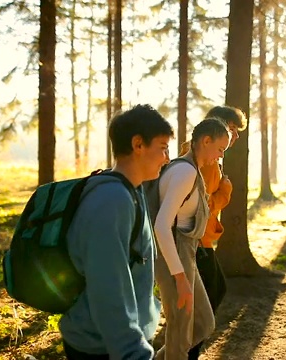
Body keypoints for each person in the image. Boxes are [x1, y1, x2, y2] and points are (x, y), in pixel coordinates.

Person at [59, 104, 174, 360]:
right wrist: (133, 352)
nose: (167, 158)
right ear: (138, 144)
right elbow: (107, 287)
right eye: (163, 147)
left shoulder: (132, 191)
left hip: (114, 343)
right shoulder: (111, 201)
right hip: (102, 347)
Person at [152, 118, 230, 359]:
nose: (219, 156)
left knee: (204, 324)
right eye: (219, 149)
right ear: (205, 140)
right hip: (173, 255)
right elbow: (162, 226)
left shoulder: (192, 170)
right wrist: (179, 276)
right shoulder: (184, 171)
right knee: (180, 331)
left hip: (187, 254)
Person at [180, 106, 247, 360]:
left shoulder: (203, 155)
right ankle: (187, 351)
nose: (236, 137)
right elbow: (203, 204)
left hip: (200, 238)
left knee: (215, 291)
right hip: (197, 239)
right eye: (232, 129)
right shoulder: (206, 162)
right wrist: (226, 191)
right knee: (210, 296)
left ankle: (187, 347)